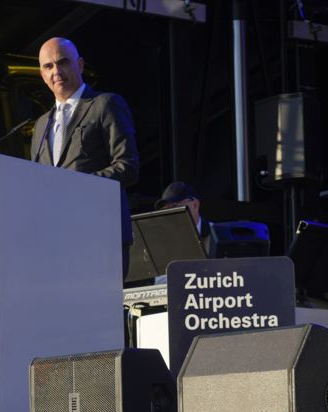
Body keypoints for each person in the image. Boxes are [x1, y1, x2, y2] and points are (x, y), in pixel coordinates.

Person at [31, 37, 140, 278]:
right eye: (48, 66)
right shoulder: (40, 125)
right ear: (42, 74)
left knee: (98, 314)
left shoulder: (105, 104)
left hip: (100, 234)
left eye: (63, 62)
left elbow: (128, 167)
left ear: (80, 65)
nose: (56, 71)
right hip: (54, 242)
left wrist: (77, 186)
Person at [151, 181, 212, 285]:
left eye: (176, 206)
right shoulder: (162, 242)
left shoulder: (217, 234)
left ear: (195, 205)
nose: (171, 214)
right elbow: (161, 285)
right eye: (166, 210)